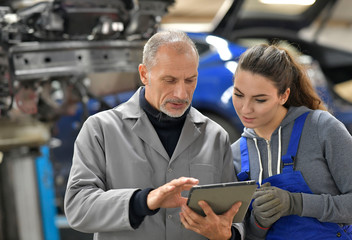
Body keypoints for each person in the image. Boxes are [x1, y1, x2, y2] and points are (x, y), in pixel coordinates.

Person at [64, 30, 243, 240]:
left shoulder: (214, 137)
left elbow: (233, 216)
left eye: (190, 80)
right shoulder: (101, 130)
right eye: (169, 80)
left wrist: (229, 235)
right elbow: (78, 207)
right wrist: (144, 200)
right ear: (144, 74)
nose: (181, 93)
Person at [231, 43, 352, 240]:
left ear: (283, 95)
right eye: (238, 95)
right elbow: (244, 233)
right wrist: (259, 223)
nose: (245, 109)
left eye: (260, 100)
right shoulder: (235, 154)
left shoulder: (322, 128)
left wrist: (296, 203)